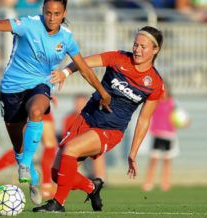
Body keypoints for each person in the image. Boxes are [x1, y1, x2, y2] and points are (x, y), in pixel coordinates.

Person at [0, 0, 111, 205]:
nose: (51, 18)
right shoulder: (28, 24)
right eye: (48, 12)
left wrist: (102, 93)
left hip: (40, 87)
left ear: (64, 14)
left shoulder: (67, 38)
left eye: (56, 14)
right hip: (11, 89)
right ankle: (32, 176)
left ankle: (28, 166)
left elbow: (84, 69)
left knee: (37, 111)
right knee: (18, 146)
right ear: (43, 10)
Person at [33, 26, 165, 212]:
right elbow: (83, 62)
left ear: (155, 49)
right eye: (135, 44)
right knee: (57, 174)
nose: (137, 50)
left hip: (110, 130)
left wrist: (133, 153)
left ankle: (58, 204)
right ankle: (91, 187)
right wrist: (65, 73)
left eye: (143, 46)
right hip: (86, 118)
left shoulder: (155, 83)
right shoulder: (119, 58)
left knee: (70, 149)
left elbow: (144, 119)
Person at [0, 96, 59, 199]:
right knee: (46, 144)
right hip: (35, 96)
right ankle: (47, 186)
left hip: (29, 96)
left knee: (37, 144)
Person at [142, 82, 188, 192]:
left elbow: (180, 117)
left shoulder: (172, 103)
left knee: (167, 160)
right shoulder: (154, 102)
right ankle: (149, 182)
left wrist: (184, 122)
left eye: (165, 89)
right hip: (156, 133)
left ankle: (165, 182)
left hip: (169, 134)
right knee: (154, 159)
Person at [61, 94, 106, 181]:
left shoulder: (93, 117)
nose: (79, 106)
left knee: (99, 155)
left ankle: (99, 180)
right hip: (75, 147)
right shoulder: (69, 119)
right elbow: (65, 137)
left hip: (89, 146)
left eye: (82, 103)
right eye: (77, 104)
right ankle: (67, 180)